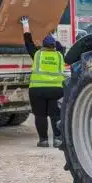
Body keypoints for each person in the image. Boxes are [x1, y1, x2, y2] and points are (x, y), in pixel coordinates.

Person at [20, 16, 65, 148]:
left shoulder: (38, 54)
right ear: (54, 46)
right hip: (56, 90)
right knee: (56, 115)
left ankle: (43, 140)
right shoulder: (60, 55)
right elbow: (60, 46)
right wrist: (54, 36)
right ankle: (57, 139)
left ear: (43, 45)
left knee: (40, 115)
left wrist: (25, 24)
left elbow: (28, 42)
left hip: (38, 90)